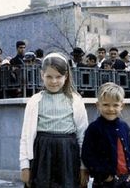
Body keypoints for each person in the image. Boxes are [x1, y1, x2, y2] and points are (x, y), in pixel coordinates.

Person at [19, 52, 89, 188]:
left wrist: (83, 166)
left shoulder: (74, 100)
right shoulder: (35, 101)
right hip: (42, 157)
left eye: (58, 77)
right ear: (42, 75)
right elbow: (26, 136)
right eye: (49, 76)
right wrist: (24, 166)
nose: (54, 81)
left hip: (68, 156)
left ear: (66, 76)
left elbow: (82, 135)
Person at [82, 82, 130, 187]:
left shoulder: (124, 127)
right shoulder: (94, 128)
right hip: (105, 182)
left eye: (115, 105)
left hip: (125, 180)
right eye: (106, 104)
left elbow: (129, 151)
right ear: (98, 105)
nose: (111, 109)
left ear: (122, 106)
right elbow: (87, 155)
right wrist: (104, 176)